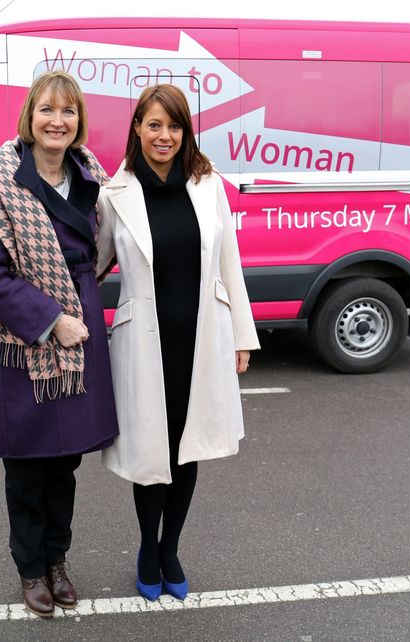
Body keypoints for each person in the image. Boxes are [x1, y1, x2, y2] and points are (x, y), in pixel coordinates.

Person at [96, 84, 260, 601]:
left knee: (187, 448)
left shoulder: (208, 185)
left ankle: (172, 550)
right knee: (152, 450)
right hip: (144, 345)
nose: (164, 135)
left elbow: (229, 262)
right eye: (154, 125)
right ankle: (148, 546)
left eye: (175, 126)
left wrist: (242, 335)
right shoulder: (113, 192)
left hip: (200, 337)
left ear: (186, 131)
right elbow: (92, 266)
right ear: (137, 130)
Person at [0, 70, 118, 618]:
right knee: (27, 463)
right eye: (47, 110)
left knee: (65, 462)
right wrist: (53, 319)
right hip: (24, 334)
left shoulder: (92, 179)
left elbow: (106, 249)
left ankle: (58, 560)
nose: (58, 121)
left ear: (79, 122)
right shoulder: (0, 182)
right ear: (29, 117)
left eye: (69, 111)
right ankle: (31, 568)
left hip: (82, 324)